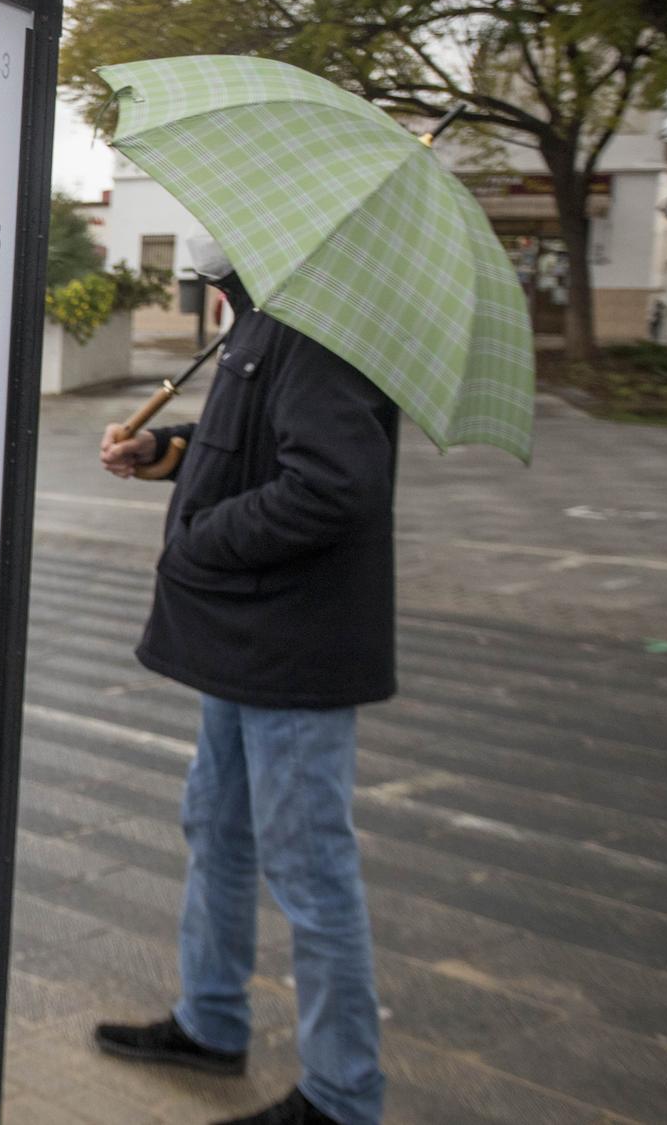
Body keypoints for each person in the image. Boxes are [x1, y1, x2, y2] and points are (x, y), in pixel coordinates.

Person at [93, 237, 398, 1125]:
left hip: (292, 649)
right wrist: (164, 449)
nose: (211, 284)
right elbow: (249, 447)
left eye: (216, 275)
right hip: (245, 638)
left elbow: (336, 484)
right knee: (217, 825)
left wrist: (204, 536)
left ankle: (343, 1095)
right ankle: (212, 1019)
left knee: (311, 867)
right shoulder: (268, 322)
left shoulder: (319, 327)